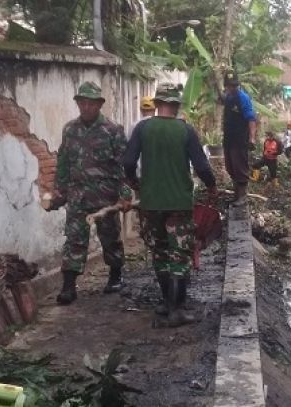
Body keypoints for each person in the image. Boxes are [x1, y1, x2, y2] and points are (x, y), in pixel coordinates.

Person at [123, 84, 217, 326]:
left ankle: (166, 303)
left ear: (156, 105)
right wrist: (212, 186)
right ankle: (177, 310)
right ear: (176, 106)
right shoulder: (185, 130)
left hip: (150, 203)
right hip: (178, 203)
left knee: (160, 252)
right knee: (179, 254)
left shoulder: (143, 128)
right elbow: (202, 167)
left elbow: (129, 161)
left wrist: (135, 183)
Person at [45, 81, 133, 305]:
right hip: (77, 196)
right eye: (82, 103)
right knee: (74, 239)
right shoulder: (70, 130)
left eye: (91, 103)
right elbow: (64, 161)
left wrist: (124, 193)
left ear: (99, 104)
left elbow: (123, 166)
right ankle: (68, 286)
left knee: (110, 237)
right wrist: (59, 189)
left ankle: (115, 276)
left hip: (105, 196)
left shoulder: (113, 131)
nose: (86, 107)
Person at [222, 69, 257, 207]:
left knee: (240, 166)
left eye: (235, 85)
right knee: (230, 167)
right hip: (228, 138)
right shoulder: (228, 97)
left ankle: (242, 196)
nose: (233, 88)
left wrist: (252, 138)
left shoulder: (243, 98)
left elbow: (251, 119)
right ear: (226, 85)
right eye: (230, 85)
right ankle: (236, 194)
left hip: (240, 139)